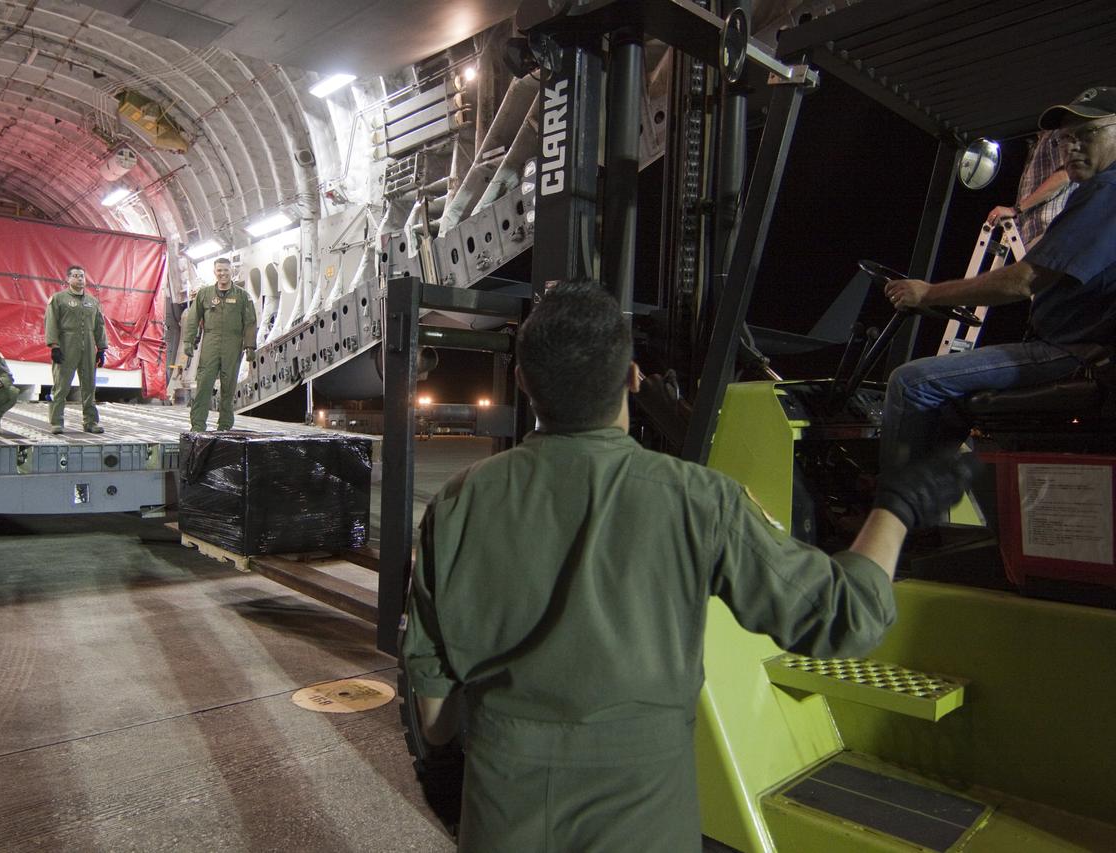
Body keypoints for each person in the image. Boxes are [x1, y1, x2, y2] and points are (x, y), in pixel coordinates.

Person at [400, 283, 976, 851]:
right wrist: (896, 506)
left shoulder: (456, 502)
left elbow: (435, 720)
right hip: (643, 823)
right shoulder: (698, 499)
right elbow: (849, 617)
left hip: (505, 819)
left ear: (523, 382)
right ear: (630, 377)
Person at [882, 87, 1116, 474]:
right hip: (1080, 347)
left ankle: (892, 520)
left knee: (910, 383)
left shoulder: (1105, 190)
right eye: (1065, 139)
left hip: (1076, 352)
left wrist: (928, 294)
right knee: (951, 398)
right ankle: (928, 504)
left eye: (1087, 135)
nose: (1071, 147)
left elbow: (1023, 281)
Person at [181, 257, 257, 432]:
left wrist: (250, 346)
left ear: (232, 272)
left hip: (233, 345)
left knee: (228, 387)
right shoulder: (204, 294)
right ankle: (198, 425)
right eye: (219, 270)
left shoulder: (243, 296)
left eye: (226, 270)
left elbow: (250, 321)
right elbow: (193, 319)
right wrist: (188, 341)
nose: (222, 273)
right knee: (204, 385)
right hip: (211, 344)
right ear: (215, 272)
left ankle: (224, 425)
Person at [45, 264, 108, 435]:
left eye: (82, 276)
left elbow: (99, 326)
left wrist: (101, 348)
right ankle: (56, 422)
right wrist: (54, 346)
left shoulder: (92, 302)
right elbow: (51, 322)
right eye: (75, 276)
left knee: (89, 385)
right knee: (61, 385)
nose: (80, 279)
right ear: (68, 279)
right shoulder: (58, 299)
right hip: (66, 344)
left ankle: (91, 421)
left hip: (87, 346)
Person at [985, 129, 1073, 249]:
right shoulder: (1037, 143)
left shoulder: (1053, 136)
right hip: (1033, 232)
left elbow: (1065, 174)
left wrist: (1015, 210)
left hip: (1048, 227)